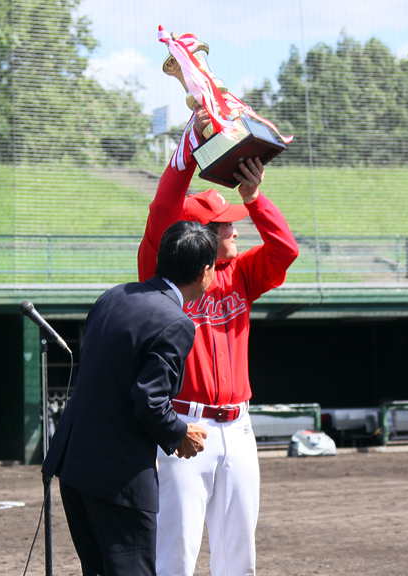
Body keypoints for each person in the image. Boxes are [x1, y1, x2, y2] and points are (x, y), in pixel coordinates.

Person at [138, 109, 299, 576]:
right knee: (176, 554)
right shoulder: (162, 277)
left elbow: (285, 250)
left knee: (238, 558)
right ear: (201, 237)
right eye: (225, 223)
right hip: (184, 427)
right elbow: (161, 213)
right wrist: (187, 151)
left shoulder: (240, 273)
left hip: (240, 429)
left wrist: (254, 198)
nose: (235, 227)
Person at [43, 220, 217, 576]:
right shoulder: (176, 321)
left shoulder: (113, 296)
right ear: (204, 272)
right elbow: (150, 402)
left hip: (74, 465)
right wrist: (179, 433)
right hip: (118, 478)